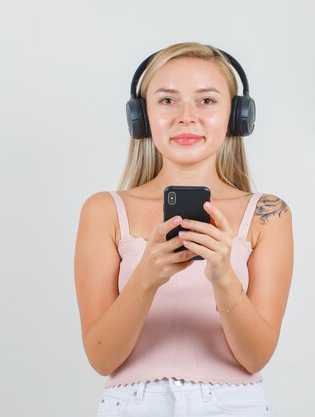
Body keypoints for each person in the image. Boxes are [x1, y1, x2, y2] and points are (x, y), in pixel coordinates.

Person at [74, 42, 293, 417]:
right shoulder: (104, 211)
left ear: (236, 116)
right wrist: (146, 278)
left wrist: (224, 277)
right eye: (167, 101)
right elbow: (102, 358)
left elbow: (256, 356)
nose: (186, 117)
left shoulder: (267, 215)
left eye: (206, 101)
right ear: (141, 117)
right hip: (133, 406)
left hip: (234, 405)